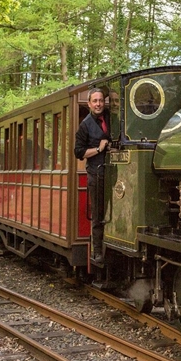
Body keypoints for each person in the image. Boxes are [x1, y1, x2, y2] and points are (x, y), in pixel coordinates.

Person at [74, 87, 111, 262]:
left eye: (101, 101)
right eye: (95, 101)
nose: (98, 104)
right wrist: (98, 149)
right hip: (95, 173)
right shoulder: (85, 125)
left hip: (112, 171)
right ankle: (97, 251)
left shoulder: (111, 117)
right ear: (89, 103)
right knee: (97, 212)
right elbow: (79, 152)